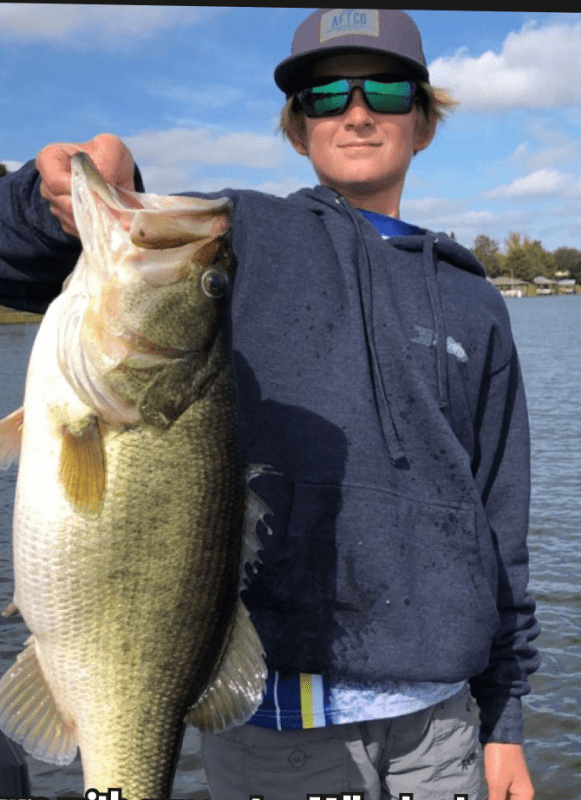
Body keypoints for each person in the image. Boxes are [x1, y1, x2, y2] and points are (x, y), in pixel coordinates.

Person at [0, 9, 539, 800]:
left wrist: (506, 721)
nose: (356, 111)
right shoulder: (231, 234)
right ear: (297, 128)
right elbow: (28, 261)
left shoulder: (474, 301)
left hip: (442, 725)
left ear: (422, 123)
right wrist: (50, 202)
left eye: (385, 89)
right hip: (275, 726)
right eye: (325, 96)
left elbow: (500, 518)